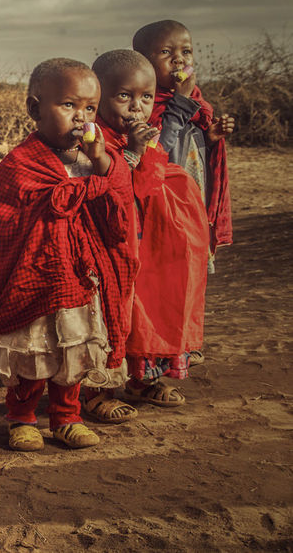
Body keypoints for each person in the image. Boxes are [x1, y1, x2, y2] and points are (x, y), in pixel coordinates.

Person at [0, 58, 138, 451]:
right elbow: (29, 211)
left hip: (82, 276)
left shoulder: (94, 160)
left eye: (90, 109)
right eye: (68, 106)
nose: (81, 119)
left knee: (75, 349)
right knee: (34, 350)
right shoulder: (20, 164)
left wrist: (101, 163)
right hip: (36, 279)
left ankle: (67, 417)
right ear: (35, 109)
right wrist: (96, 184)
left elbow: (119, 205)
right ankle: (22, 418)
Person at [82, 50, 210, 420]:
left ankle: (141, 379)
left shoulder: (138, 134)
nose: (136, 107)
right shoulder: (93, 139)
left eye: (146, 98)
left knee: (145, 310)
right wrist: (135, 154)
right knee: (106, 317)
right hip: (105, 248)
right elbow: (109, 184)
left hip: (144, 247)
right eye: (124, 97)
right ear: (98, 98)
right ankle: (95, 390)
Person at [133, 20, 235, 366]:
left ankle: (176, 354)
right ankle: (150, 367)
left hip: (190, 212)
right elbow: (158, 151)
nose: (179, 60)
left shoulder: (195, 104)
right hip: (161, 214)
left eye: (185, 51)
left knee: (185, 285)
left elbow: (191, 157)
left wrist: (211, 137)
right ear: (143, 63)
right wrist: (179, 103)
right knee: (159, 287)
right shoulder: (146, 107)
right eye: (166, 53)